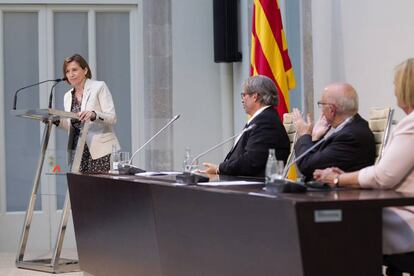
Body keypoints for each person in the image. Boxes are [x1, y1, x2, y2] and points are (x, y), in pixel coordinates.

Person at [314, 58, 414, 258]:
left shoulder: (411, 125)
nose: (394, 90)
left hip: (407, 217)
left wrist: (338, 179)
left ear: (405, 87)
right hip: (398, 206)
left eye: (395, 84)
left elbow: (383, 177)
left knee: (330, 227)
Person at [201, 75, 290, 176]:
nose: (242, 100)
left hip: (255, 187)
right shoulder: (261, 119)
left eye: (244, 95)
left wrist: (219, 169)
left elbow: (251, 160)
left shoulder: (266, 121)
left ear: (255, 96)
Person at [292, 82, 375, 180]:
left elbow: (307, 165)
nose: (321, 110)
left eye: (321, 104)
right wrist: (315, 138)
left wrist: (304, 134)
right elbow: (319, 160)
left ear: (331, 109)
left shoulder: (351, 136)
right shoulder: (350, 128)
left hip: (341, 194)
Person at [56, 54, 120, 173]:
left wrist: (94, 115)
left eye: (74, 69)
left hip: (101, 151)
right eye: (67, 71)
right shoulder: (67, 96)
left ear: (85, 70)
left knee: (102, 190)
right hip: (78, 152)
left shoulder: (99, 87)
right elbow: (72, 126)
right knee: (81, 190)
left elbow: (112, 118)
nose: (71, 74)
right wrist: (56, 121)